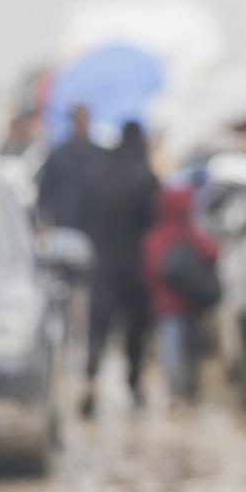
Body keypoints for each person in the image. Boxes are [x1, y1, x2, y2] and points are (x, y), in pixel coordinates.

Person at [82, 121, 158, 416]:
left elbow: (85, 215)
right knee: (135, 329)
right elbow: (154, 223)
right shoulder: (146, 177)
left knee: (98, 326)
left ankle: (90, 381)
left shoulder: (100, 175)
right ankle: (134, 384)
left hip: (103, 263)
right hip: (136, 267)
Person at [142, 186, 219, 409]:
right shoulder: (193, 234)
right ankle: (189, 393)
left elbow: (149, 270)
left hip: (167, 306)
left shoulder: (157, 237)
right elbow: (213, 253)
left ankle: (177, 393)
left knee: (172, 349)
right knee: (191, 350)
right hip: (191, 305)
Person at [36, 104, 104, 235]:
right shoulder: (60, 155)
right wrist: (45, 217)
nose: (82, 124)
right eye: (79, 120)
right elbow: (46, 189)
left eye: (85, 119)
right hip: (65, 221)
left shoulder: (99, 155)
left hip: (93, 222)